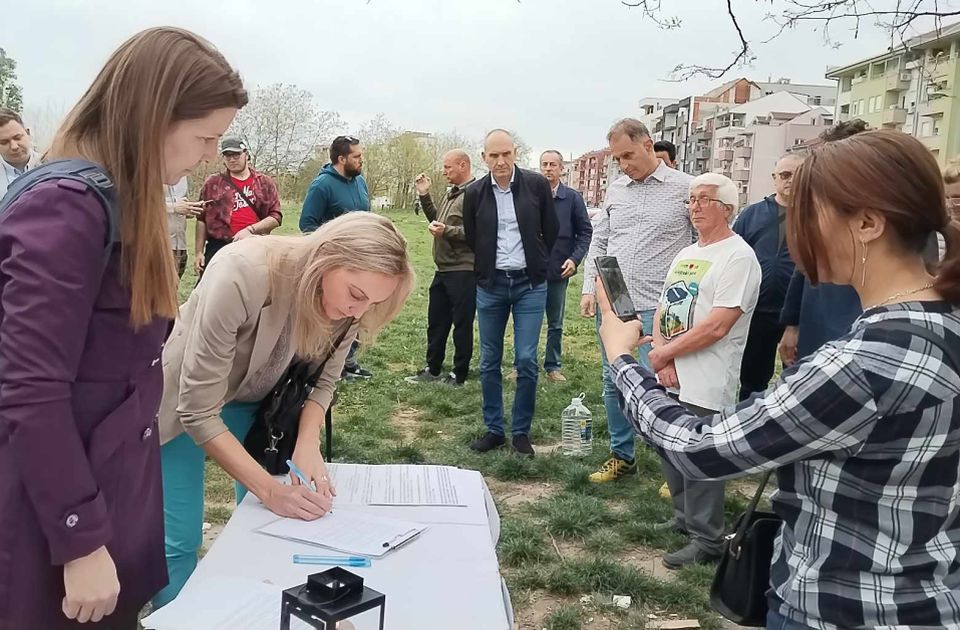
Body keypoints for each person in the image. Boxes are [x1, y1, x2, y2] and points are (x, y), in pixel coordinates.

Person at [598, 129, 960, 629]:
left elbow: (700, 449)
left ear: (869, 223)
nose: (796, 235)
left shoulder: (865, 363)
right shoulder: (942, 324)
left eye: (809, 215)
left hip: (844, 606)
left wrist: (622, 360)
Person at [0, 27, 245, 629]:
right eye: (205, 137)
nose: (212, 154)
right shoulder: (66, 204)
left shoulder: (113, 198)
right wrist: (79, 540)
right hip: (55, 515)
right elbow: (29, 387)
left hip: (109, 488)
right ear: (154, 116)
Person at [153, 212, 414, 607]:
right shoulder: (241, 271)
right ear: (326, 259)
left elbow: (326, 380)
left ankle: (257, 605)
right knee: (178, 538)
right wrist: (270, 489)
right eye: (356, 295)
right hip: (184, 399)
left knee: (271, 523)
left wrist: (307, 443)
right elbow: (198, 410)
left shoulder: (352, 304)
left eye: (373, 303)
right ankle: (176, 615)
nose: (359, 312)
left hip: (259, 399)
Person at [647, 173, 760, 568]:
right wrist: (665, 355)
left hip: (709, 373)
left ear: (726, 209)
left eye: (703, 200)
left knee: (702, 458)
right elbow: (666, 305)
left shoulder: (738, 257)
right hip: (673, 368)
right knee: (670, 447)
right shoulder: (688, 252)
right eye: (691, 200)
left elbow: (717, 326)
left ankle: (708, 538)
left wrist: (666, 355)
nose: (694, 206)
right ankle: (683, 518)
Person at [581, 119, 694, 483]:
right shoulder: (616, 190)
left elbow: (701, 244)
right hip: (615, 302)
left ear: (648, 145)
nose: (624, 164)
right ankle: (622, 455)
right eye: (617, 159)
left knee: (665, 383)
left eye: (628, 155)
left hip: (663, 305)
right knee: (613, 379)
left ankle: (673, 466)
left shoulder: (686, 188)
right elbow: (600, 242)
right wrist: (588, 288)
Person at [463, 129, 558, 456]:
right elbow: (473, 237)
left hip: (529, 285)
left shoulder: (535, 185)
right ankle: (494, 429)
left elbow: (552, 228)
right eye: (494, 156)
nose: (501, 161)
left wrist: (540, 264)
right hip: (491, 285)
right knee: (489, 360)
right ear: (484, 158)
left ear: (515, 153)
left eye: (506, 154)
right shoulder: (475, 193)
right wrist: (487, 271)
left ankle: (520, 432)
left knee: (526, 359)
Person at [778, 122, 867, 367]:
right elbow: (803, 265)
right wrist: (792, 323)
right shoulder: (819, 209)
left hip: (857, 327)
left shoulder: (885, 218)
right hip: (815, 320)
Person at [300, 135, 372, 380]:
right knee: (336, 314)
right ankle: (330, 366)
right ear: (341, 159)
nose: (361, 160)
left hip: (362, 261)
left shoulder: (360, 182)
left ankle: (348, 361)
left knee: (356, 313)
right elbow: (307, 224)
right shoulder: (322, 186)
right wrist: (330, 255)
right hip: (336, 264)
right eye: (357, 156)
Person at [732, 153, 803, 400]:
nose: (791, 181)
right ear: (774, 179)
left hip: (798, 313)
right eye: (785, 175)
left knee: (799, 378)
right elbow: (733, 256)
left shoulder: (818, 215)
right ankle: (750, 427)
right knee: (752, 379)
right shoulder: (752, 214)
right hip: (757, 311)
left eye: (798, 175)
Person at [405, 150, 476, 386]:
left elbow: (479, 234)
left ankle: (459, 373)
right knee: (436, 322)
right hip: (443, 269)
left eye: (448, 167)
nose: (444, 172)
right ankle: (432, 369)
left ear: (463, 165)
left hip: (463, 270)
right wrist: (424, 195)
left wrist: (447, 231)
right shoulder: (451, 194)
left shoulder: (474, 195)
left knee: (461, 324)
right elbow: (438, 220)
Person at [539, 149, 592, 382]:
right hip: (530, 270)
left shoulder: (572, 199)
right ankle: (523, 365)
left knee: (555, 323)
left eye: (552, 164)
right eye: (544, 164)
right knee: (525, 321)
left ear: (561, 169)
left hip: (558, 270)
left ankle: (553, 366)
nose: (548, 168)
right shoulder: (530, 196)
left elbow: (585, 232)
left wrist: (575, 259)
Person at [195, 137, 282, 276]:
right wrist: (199, 252)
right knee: (212, 294)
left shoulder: (264, 183)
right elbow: (201, 219)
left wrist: (250, 230)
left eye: (236, 155)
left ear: (246, 155)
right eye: (228, 156)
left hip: (254, 245)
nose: (232, 159)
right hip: (219, 246)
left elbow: (275, 217)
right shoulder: (213, 183)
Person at [166, 177, 203, 278]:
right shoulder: (148, 172)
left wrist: (189, 209)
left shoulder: (182, 176)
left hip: (180, 246)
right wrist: (173, 207)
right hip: (156, 247)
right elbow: (139, 204)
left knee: (172, 291)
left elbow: (181, 205)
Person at [0, 108, 40, 195]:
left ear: (28, 133)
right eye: (4, 142)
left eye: (17, 138)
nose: (14, 146)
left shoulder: (53, 165)